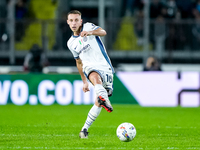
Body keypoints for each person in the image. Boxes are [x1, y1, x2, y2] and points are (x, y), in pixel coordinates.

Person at [67, 10, 114, 138]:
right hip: (90, 67)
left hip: (105, 66)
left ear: (80, 21)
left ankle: (84, 129)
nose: (74, 23)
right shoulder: (71, 43)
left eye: (76, 20)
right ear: (68, 22)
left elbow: (103, 32)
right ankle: (105, 99)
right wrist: (84, 81)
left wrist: (91, 32)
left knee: (98, 102)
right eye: (71, 20)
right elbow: (79, 62)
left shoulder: (88, 26)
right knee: (94, 76)